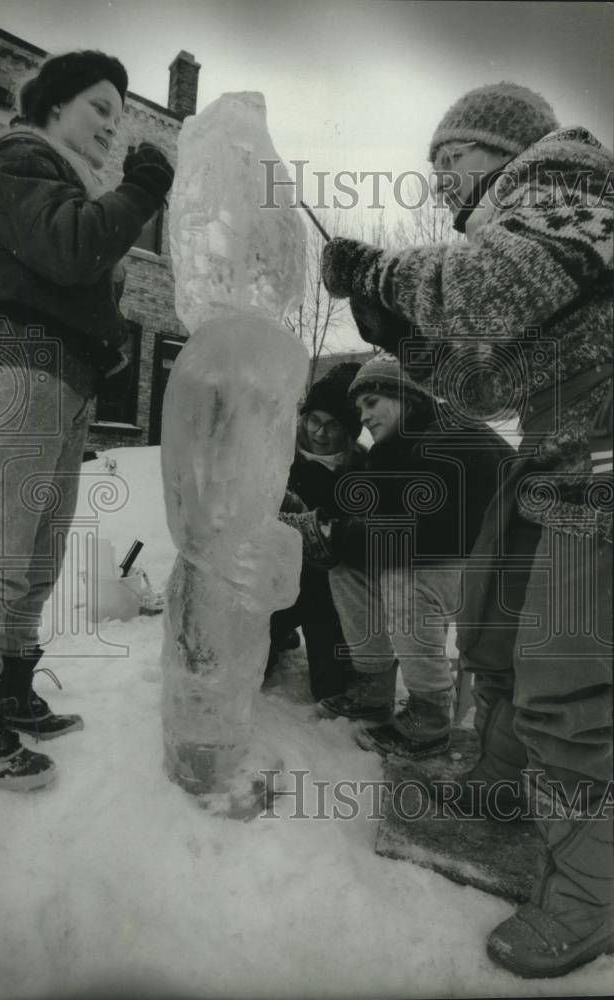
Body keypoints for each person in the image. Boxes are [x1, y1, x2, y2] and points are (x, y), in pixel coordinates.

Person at [318, 83, 612, 977]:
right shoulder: (516, 226)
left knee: (566, 678)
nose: (442, 184)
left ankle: (592, 892)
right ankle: (499, 781)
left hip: (602, 462)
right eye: (432, 168)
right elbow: (485, 377)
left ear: (505, 148)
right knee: (493, 627)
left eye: (454, 160)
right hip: (557, 454)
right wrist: (400, 335)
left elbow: (486, 289)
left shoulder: (566, 180)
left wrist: (376, 273)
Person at [0, 50, 174, 790]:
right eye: (100, 108)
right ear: (55, 106)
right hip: (16, 367)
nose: (111, 126)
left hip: (60, 379)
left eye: (118, 115)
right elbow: (69, 249)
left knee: (36, 560)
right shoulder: (19, 156)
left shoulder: (68, 177)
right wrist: (144, 186)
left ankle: (11, 691)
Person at [307, 353, 513, 759]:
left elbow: (435, 533)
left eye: (371, 403)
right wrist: (329, 533)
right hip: (442, 559)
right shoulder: (388, 451)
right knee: (346, 567)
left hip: (498, 564)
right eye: (359, 408)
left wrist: (348, 534)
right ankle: (374, 686)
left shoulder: (458, 437)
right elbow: (372, 521)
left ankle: (431, 715)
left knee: (402, 577)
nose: (363, 417)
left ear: (405, 397)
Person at [269, 362, 367, 700]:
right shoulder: (279, 458)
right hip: (275, 582)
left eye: (333, 425)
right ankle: (278, 633)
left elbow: (365, 535)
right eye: (314, 421)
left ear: (350, 431)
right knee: (253, 668)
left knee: (330, 690)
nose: (320, 434)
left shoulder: (362, 469)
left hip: (329, 592)